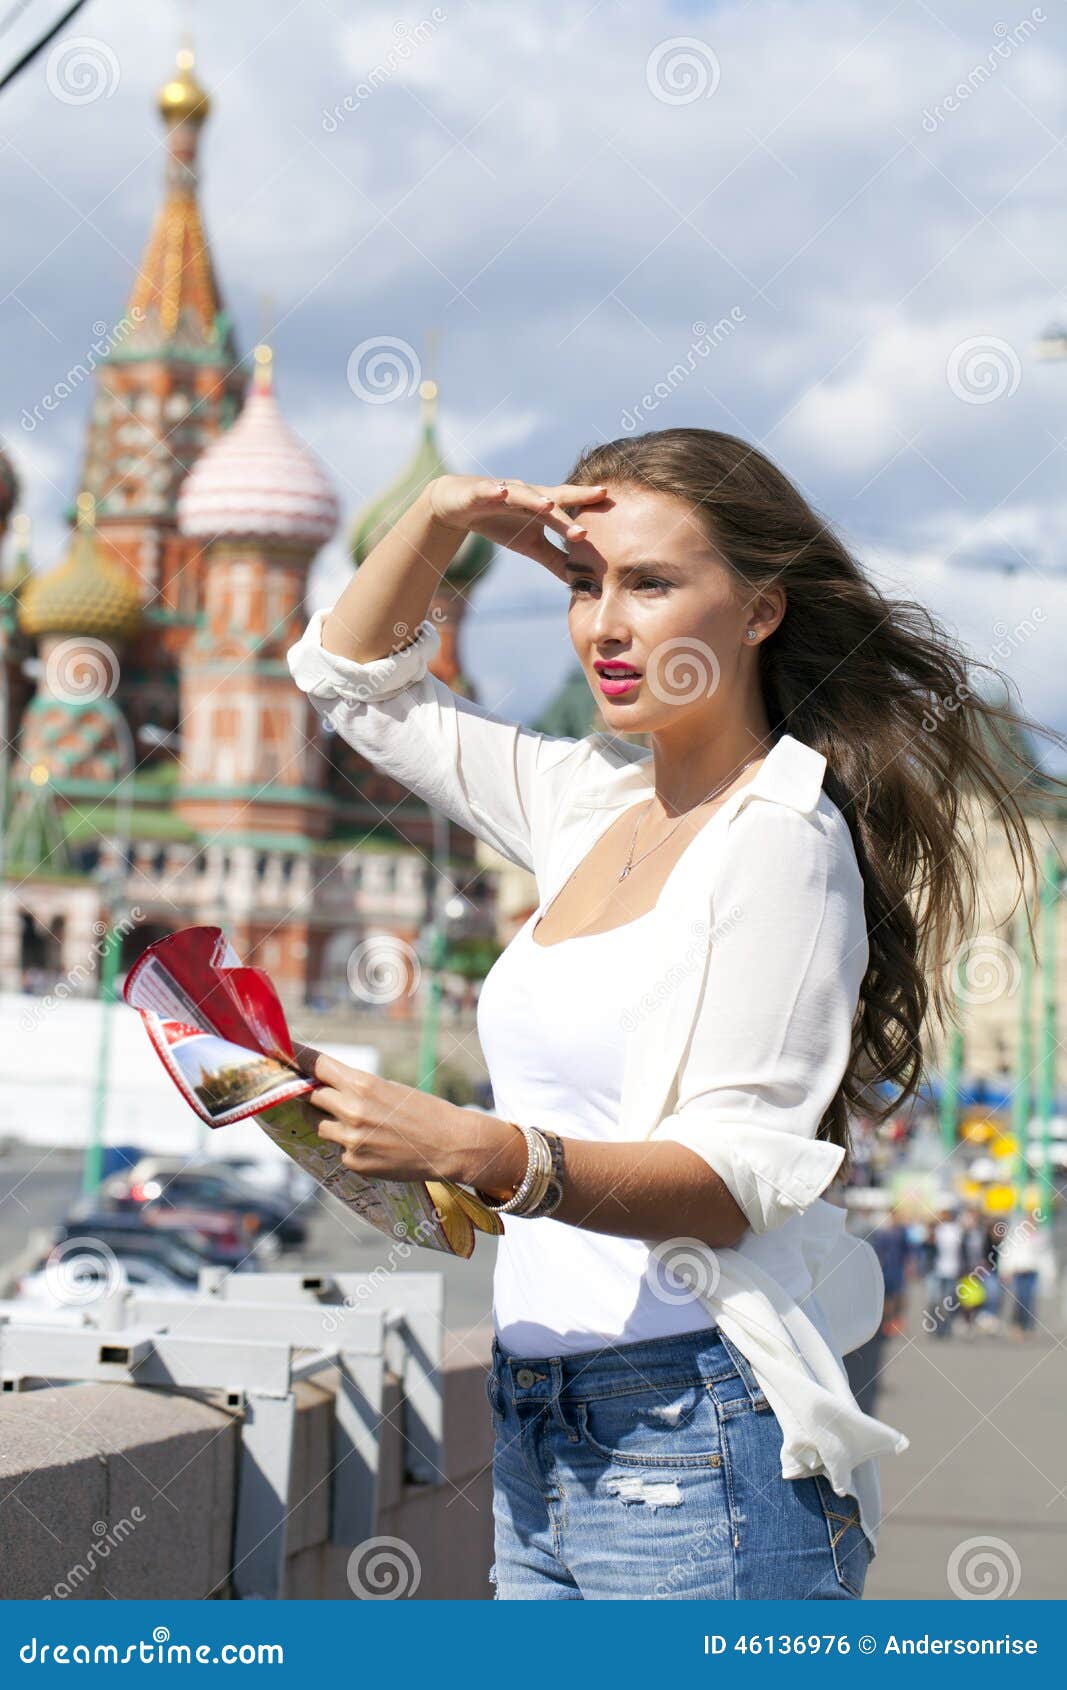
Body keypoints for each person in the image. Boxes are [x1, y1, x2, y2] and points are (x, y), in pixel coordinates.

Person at [286, 430, 1066, 1600]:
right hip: (537, 1419)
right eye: (583, 584)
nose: (604, 624)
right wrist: (442, 514)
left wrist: (479, 1151)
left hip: (692, 1431)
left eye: (649, 584)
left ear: (758, 611)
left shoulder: (780, 840)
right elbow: (349, 680)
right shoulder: (585, 802)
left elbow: (734, 1178)